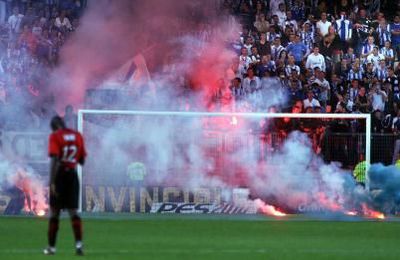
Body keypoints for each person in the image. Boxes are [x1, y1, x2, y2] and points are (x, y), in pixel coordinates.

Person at [44, 116, 87, 256]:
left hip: (60, 175)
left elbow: (55, 158)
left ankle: (51, 248)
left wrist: (52, 182)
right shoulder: (77, 135)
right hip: (72, 176)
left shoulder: (55, 136)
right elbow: (82, 160)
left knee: (55, 213)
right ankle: (79, 245)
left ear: (54, 127)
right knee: (74, 212)